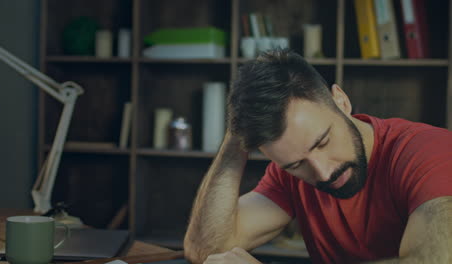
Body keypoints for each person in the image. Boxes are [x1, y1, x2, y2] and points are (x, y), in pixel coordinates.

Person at [183, 49, 452, 264]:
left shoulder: (428, 152)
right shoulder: (290, 173)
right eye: (296, 164)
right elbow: (205, 250)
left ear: (341, 101)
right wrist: (235, 136)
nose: (322, 173)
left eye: (322, 142)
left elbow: (433, 260)